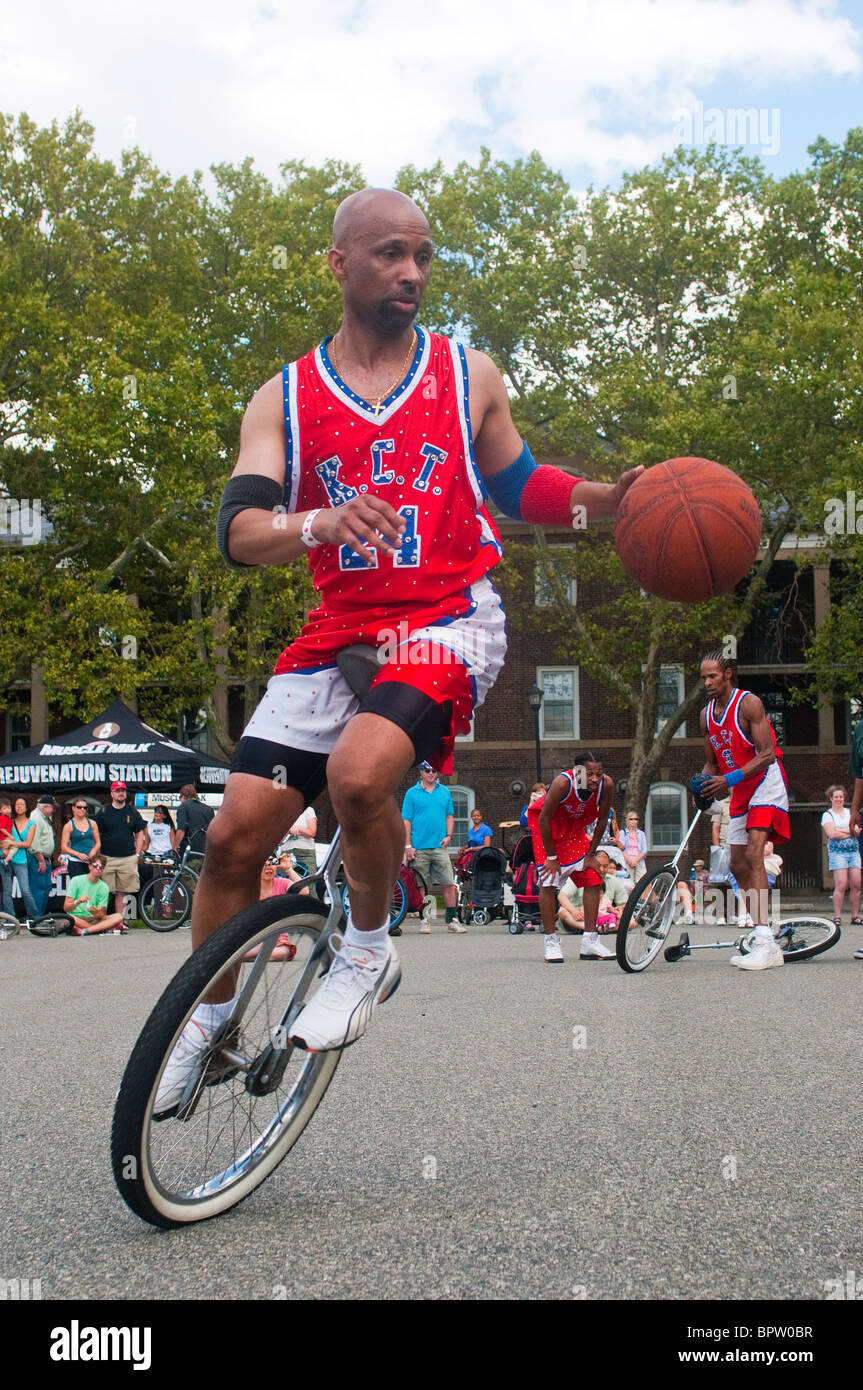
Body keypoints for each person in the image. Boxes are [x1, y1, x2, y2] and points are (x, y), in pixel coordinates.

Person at [153, 186, 640, 1113]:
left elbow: (523, 484)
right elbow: (238, 531)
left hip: (448, 617)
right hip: (336, 632)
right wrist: (319, 521)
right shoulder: (286, 396)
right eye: (387, 253)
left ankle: (368, 954)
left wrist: (604, 500)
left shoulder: (468, 374)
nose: (410, 271)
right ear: (339, 265)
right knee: (229, 842)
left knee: (361, 776)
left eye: (420, 254)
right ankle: (210, 1028)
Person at [697, 649, 790, 970]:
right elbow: (712, 762)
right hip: (738, 788)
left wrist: (726, 779)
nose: (707, 682)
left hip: (765, 782)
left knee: (754, 855)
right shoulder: (706, 715)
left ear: (727, 674)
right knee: (736, 865)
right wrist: (701, 783)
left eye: (713, 676)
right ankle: (764, 933)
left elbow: (766, 754)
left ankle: (764, 940)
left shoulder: (748, 703)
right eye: (703, 677)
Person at [532, 753, 615, 962]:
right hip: (548, 830)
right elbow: (544, 819)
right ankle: (551, 941)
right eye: (590, 774)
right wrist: (551, 857)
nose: (595, 779)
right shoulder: (562, 783)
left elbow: (603, 819)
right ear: (578, 772)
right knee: (548, 883)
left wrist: (591, 854)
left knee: (593, 878)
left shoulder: (606, 785)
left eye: (599, 773)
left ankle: (590, 941)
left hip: (573, 828)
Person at [403, 761, 463, 932]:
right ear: (421, 772)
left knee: (448, 884)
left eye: (433, 770)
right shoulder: (411, 793)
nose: (430, 773)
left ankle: (452, 920)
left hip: (439, 847)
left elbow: (449, 816)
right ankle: (425, 920)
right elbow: (406, 821)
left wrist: (449, 836)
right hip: (418, 847)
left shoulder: (444, 792)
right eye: (427, 770)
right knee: (421, 886)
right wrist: (408, 845)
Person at [95, 782, 146, 924]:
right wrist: (98, 855)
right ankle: (102, 922)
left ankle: (119, 922)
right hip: (107, 857)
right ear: (112, 794)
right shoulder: (104, 811)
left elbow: (140, 832)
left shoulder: (132, 811)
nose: (120, 793)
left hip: (128, 857)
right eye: (117, 791)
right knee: (104, 891)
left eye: (123, 791)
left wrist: (137, 854)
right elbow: (95, 832)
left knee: (122, 892)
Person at [557, 848, 628, 942]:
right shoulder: (579, 876)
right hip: (579, 918)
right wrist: (574, 911)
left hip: (603, 918)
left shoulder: (613, 880)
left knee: (630, 921)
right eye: (599, 866)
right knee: (562, 911)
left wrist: (620, 908)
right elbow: (561, 896)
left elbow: (625, 903)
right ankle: (593, 929)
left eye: (605, 866)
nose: (602, 869)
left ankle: (595, 929)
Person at [821, 785, 862, 927]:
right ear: (831, 798)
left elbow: (858, 831)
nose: (839, 799)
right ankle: (837, 916)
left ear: (844, 798)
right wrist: (850, 831)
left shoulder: (850, 813)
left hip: (853, 852)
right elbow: (832, 834)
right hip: (838, 854)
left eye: (841, 796)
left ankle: (855, 916)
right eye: (836, 796)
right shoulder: (827, 815)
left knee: (856, 885)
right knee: (841, 884)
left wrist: (843, 831)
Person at [63, 858, 127, 935]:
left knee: (118, 916)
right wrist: (78, 901)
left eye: (101, 867)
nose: (98, 869)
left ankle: (86, 930)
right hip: (77, 917)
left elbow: (101, 915)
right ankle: (100, 929)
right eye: (95, 866)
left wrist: (97, 914)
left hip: (94, 919)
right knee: (70, 918)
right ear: (90, 866)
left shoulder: (104, 886)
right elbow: (66, 908)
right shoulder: (76, 880)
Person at [2, 795, 39, 919]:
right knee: (7, 891)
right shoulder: (9, 821)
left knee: (25, 890)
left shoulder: (32, 823)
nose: (19, 807)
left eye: (22, 804)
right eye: (17, 804)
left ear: (27, 807)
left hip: (21, 859)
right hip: (5, 857)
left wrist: (12, 843)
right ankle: (10, 918)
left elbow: (27, 843)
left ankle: (34, 915)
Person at [27, 796, 57, 916]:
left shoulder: (44, 818)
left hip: (44, 858)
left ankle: (40, 915)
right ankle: (36, 917)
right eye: (52, 808)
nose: (53, 811)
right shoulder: (35, 818)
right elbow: (34, 842)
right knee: (38, 889)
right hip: (37, 858)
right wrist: (41, 860)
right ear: (45, 807)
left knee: (46, 887)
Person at [60, 798, 100, 876]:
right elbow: (64, 847)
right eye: (79, 807)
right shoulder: (69, 825)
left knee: (92, 886)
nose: (82, 809)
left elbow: (98, 842)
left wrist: (94, 851)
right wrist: (78, 854)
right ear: (73, 808)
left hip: (91, 861)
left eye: (85, 808)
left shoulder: (92, 823)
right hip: (76, 861)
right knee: (79, 886)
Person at [173, 785, 214, 858]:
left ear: (183, 796)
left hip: (190, 851)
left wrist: (174, 848)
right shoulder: (209, 809)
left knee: (188, 869)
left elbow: (181, 830)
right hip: (206, 851)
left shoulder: (184, 807)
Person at [283, 805, 318, 878]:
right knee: (287, 883)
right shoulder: (284, 812)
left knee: (308, 882)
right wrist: (288, 830)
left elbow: (312, 832)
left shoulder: (308, 810)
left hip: (305, 852)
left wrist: (298, 828)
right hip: (287, 852)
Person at [618, 811, 647, 882]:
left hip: (639, 862)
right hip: (626, 862)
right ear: (627, 820)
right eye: (631, 819)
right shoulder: (622, 833)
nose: (633, 821)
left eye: (636, 819)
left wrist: (635, 861)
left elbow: (644, 851)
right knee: (628, 884)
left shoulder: (641, 834)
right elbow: (621, 849)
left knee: (643, 883)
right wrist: (630, 861)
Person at [0, 798, 16, 917]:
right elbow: (2, 829)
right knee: (6, 889)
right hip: (4, 840)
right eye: (5, 808)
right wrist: (10, 837)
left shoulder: (9, 819)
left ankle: (9, 916)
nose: (8, 810)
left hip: (4, 845)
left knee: (6, 890)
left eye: (9, 807)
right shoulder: (2, 819)